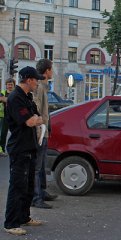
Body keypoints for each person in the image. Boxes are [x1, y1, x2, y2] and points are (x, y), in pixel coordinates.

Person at [4, 66, 45, 236]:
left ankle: (24, 216)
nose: (37, 83)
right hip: (19, 148)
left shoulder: (27, 97)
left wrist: (35, 119)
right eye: (36, 80)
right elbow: (29, 121)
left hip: (30, 146)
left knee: (28, 186)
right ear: (29, 79)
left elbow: (39, 117)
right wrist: (34, 119)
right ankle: (11, 223)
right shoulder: (15, 98)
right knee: (17, 186)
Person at [32, 59, 58, 209]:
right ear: (46, 71)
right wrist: (39, 133)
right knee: (37, 167)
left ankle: (42, 192)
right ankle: (36, 198)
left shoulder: (43, 87)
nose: (52, 71)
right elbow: (36, 111)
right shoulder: (39, 87)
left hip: (44, 132)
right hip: (40, 133)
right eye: (51, 69)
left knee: (41, 166)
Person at [0, 78, 16, 156]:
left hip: (14, 117)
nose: (9, 86)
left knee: (15, 134)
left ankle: (13, 150)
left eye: (11, 85)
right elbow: (1, 98)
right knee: (3, 134)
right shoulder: (3, 92)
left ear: (14, 85)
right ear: (6, 85)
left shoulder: (16, 93)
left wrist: (6, 99)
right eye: (8, 84)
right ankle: (2, 150)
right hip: (4, 117)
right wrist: (11, 100)